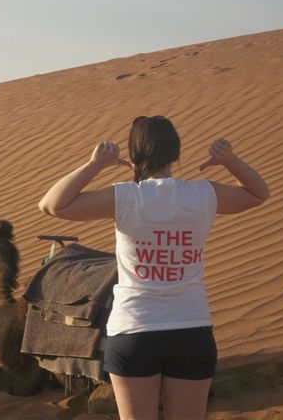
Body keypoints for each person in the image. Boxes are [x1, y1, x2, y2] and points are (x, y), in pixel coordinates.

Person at [38, 116, 269, 420]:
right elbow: (258, 193)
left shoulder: (125, 196)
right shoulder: (202, 194)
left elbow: (51, 205)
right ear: (176, 153)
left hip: (134, 331)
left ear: (133, 156)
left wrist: (95, 164)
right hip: (191, 330)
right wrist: (230, 160)